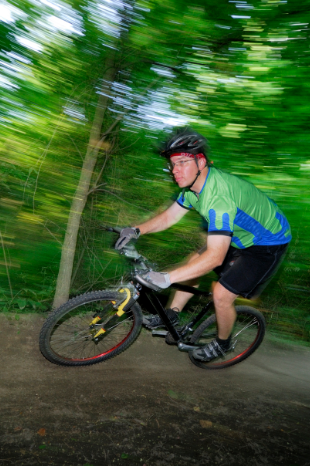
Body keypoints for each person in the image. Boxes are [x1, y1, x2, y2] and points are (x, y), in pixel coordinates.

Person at [114, 128, 291, 362]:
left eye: (182, 163)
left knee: (221, 294)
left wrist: (166, 278)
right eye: (172, 164)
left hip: (268, 242)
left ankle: (223, 344)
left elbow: (215, 257)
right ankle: (172, 316)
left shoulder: (218, 198)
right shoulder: (192, 189)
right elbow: (169, 217)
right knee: (193, 261)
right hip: (239, 235)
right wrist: (137, 229)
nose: (175, 170)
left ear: (201, 162)